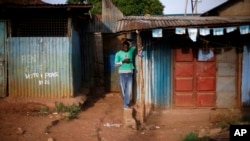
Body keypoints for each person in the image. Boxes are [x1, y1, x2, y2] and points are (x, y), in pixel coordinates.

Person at [115, 40, 136, 109]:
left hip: (129, 73)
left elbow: (135, 44)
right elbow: (115, 64)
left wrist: (129, 40)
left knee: (129, 89)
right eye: (125, 47)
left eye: (127, 47)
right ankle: (125, 103)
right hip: (122, 74)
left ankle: (125, 104)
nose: (126, 48)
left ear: (129, 47)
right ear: (122, 47)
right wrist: (123, 61)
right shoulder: (118, 54)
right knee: (123, 90)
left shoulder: (131, 51)